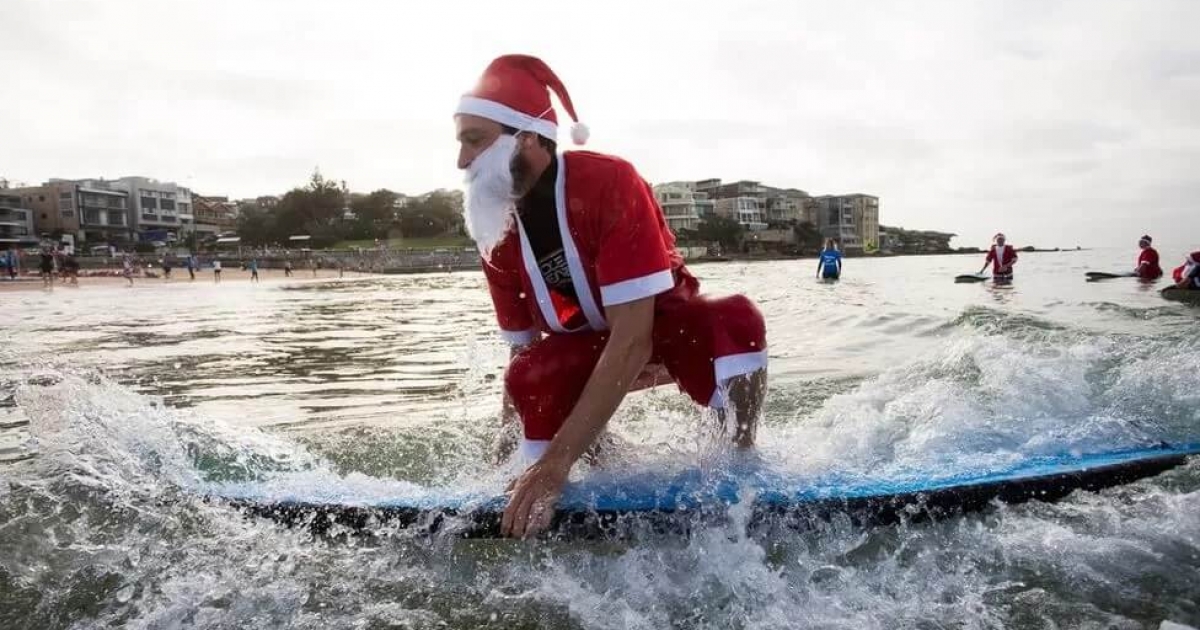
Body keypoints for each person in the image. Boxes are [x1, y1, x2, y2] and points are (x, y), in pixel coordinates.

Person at [455, 55, 768, 538]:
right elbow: (521, 355)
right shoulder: (496, 228)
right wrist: (499, 470)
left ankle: (741, 458)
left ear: (529, 137)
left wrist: (555, 464)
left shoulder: (609, 183)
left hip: (663, 331)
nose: (461, 161)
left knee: (737, 318)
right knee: (531, 372)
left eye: (474, 141)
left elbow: (633, 338)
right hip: (585, 348)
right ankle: (605, 470)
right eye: (461, 143)